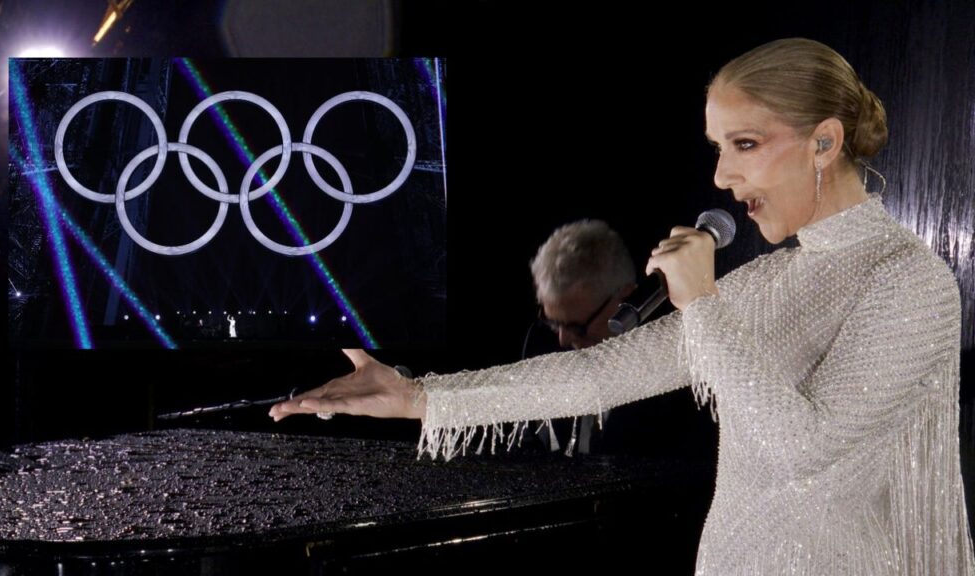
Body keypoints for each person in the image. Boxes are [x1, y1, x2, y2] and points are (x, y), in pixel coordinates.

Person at [270, 38, 974, 574]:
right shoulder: (769, 283)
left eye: (746, 145)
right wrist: (418, 398)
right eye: (718, 148)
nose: (723, 176)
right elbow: (599, 375)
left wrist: (699, 300)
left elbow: (806, 450)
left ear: (825, 140)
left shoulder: (907, 282)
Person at [527, 219, 637, 454]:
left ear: (625, 299)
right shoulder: (540, 342)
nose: (562, 340)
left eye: (577, 326)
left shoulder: (675, 366)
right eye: (554, 323)